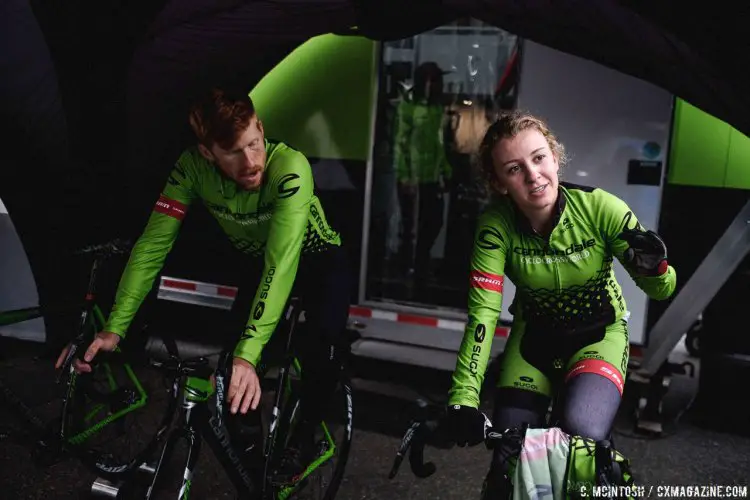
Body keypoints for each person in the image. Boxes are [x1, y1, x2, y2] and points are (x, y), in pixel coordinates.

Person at [55, 87, 351, 479]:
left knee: (322, 349)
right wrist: (115, 327)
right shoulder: (191, 169)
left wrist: (249, 353)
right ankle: (253, 465)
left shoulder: (290, 167)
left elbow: (282, 263)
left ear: (261, 129)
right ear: (208, 153)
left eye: (254, 144)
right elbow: (152, 246)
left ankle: (307, 432)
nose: (251, 161)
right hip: (258, 264)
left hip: (316, 262)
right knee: (230, 377)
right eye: (234, 152)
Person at [444, 110, 676, 495]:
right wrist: (463, 399)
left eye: (538, 158)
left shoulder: (601, 209)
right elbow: (483, 313)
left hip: (598, 336)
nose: (533, 175)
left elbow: (662, 291)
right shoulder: (495, 226)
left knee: (582, 435)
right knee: (508, 462)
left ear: (555, 157)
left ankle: (606, 481)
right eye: (514, 168)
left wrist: (655, 269)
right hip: (533, 342)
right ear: (499, 182)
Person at [393, 61, 453, 292]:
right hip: (413, 179)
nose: (439, 85)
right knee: (413, 227)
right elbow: (400, 143)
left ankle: (419, 267)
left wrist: (446, 172)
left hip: (431, 179)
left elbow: (440, 146)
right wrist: (405, 176)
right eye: (435, 80)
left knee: (433, 223)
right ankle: (410, 273)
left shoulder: (438, 108)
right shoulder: (408, 107)